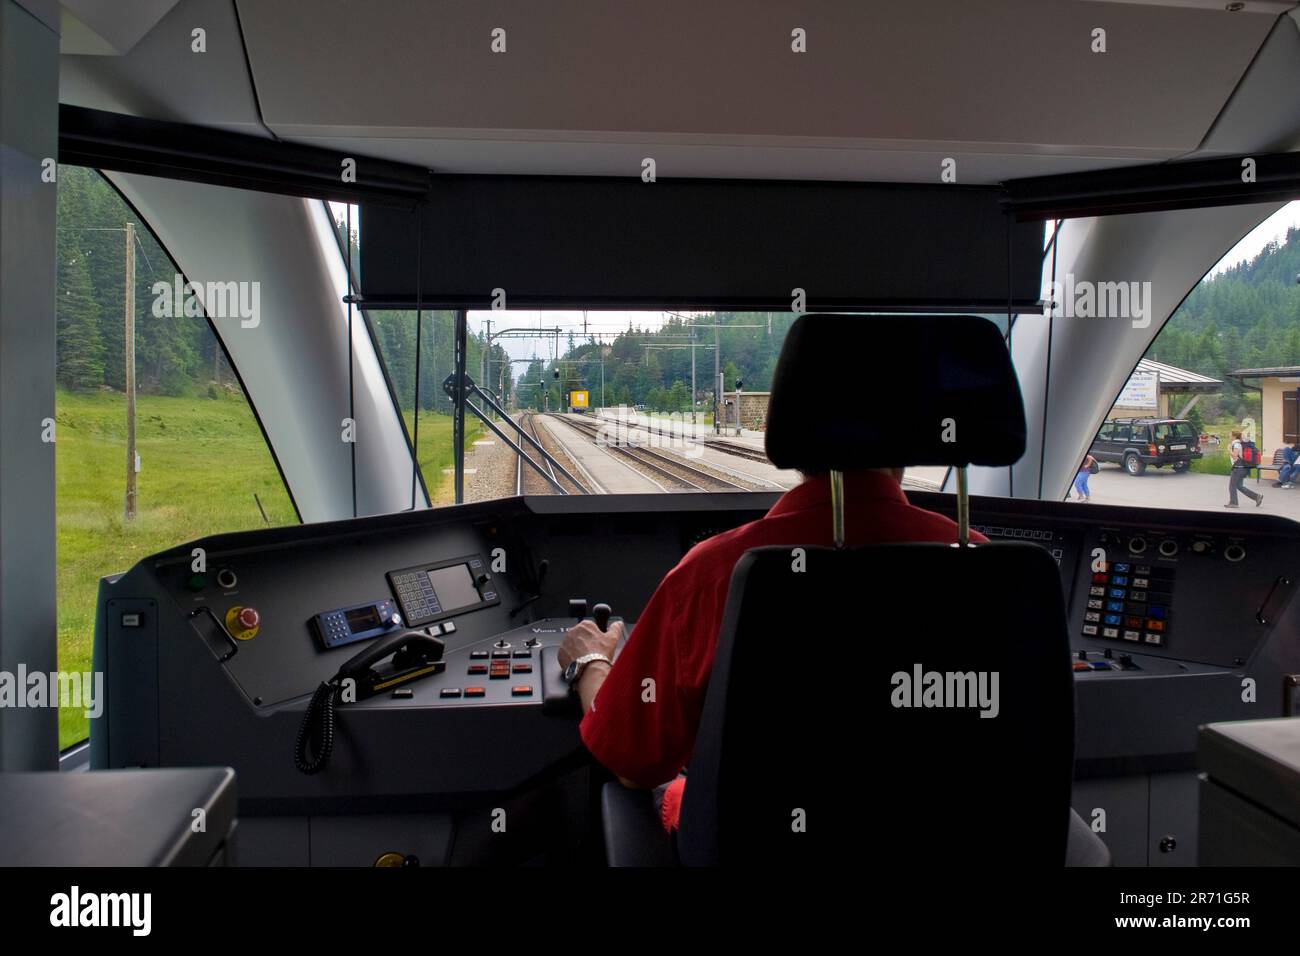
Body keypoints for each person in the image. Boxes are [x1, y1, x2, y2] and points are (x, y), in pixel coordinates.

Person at [1226, 430, 1263, 508]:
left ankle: (1234, 503)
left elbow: (1235, 456)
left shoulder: (1236, 444)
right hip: (1243, 468)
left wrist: (1229, 449)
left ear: (1234, 436)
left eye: (1230, 434)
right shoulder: (1239, 444)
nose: (1229, 436)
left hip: (1238, 468)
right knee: (1239, 486)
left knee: (1232, 486)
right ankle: (1257, 497)